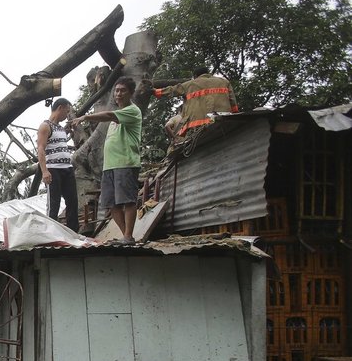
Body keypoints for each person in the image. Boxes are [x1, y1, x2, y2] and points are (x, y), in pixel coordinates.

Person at [69, 76, 142, 244]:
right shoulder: (116, 117)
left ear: (131, 93)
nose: (118, 93)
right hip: (110, 166)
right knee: (111, 203)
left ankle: (128, 236)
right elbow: (111, 116)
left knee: (128, 200)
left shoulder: (132, 111)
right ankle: (126, 237)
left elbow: (109, 114)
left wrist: (85, 117)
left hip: (126, 162)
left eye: (123, 90)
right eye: (116, 90)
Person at [153, 67, 238, 136]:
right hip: (224, 120)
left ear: (196, 76)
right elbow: (233, 102)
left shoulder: (190, 84)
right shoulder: (224, 82)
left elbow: (172, 90)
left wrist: (155, 92)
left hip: (198, 124)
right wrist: (234, 116)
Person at [37, 98, 79, 232]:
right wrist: (44, 171)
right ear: (60, 108)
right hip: (53, 169)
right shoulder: (45, 126)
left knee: (72, 201)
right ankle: (51, 233)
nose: (67, 115)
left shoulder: (61, 128)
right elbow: (41, 149)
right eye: (66, 111)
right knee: (54, 203)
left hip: (67, 168)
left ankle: (73, 232)